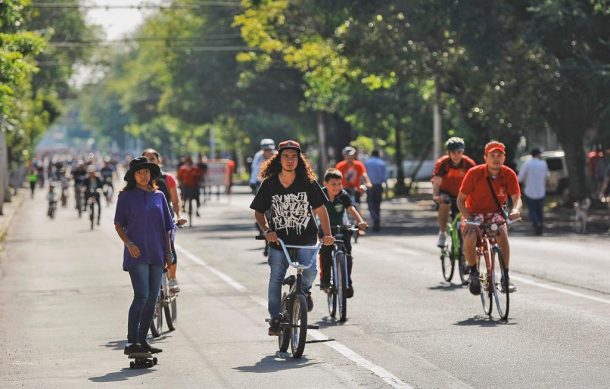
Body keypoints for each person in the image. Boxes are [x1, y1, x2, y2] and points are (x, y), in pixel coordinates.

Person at [250, 140, 334, 336]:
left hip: (306, 238)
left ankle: (302, 292)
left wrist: (328, 234)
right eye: (286, 156)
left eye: (294, 157)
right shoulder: (269, 183)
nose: (290, 160)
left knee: (310, 272)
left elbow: (320, 209)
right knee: (276, 277)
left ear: (299, 159)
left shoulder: (308, 182)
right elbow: (259, 213)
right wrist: (267, 230)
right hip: (279, 241)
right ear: (279, 159)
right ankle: (276, 317)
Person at [114, 156, 174, 356]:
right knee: (141, 296)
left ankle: (142, 340)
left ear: (151, 174)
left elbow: (167, 227)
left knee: (153, 298)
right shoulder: (126, 196)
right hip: (137, 254)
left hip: (157, 253)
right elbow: (118, 225)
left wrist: (168, 252)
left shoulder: (159, 196)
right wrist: (129, 243)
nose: (143, 175)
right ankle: (131, 342)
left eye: (146, 172)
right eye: (139, 172)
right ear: (133, 176)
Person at [457, 141, 522, 295]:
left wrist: (516, 209)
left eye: (499, 155)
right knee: (470, 235)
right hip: (474, 213)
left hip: (495, 213)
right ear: (485, 157)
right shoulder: (474, 173)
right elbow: (460, 200)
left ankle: (505, 277)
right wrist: (469, 219)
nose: (496, 159)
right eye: (492, 155)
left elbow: (516, 197)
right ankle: (473, 273)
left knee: (502, 232)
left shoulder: (509, 174)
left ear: (504, 158)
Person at [142, 148, 187, 293]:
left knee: (170, 247)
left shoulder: (167, 179)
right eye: (146, 159)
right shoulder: (140, 179)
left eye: (152, 159)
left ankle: (172, 278)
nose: (149, 162)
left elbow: (175, 201)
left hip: (165, 220)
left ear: (159, 161)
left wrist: (179, 216)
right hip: (146, 222)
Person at [318, 168, 367, 296]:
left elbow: (351, 209)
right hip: (325, 229)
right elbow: (312, 212)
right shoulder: (319, 195)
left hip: (341, 227)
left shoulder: (343, 195)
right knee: (325, 253)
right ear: (325, 184)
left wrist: (360, 222)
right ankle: (325, 280)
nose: (337, 187)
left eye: (339, 184)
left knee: (347, 254)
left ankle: (347, 281)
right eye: (333, 184)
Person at [431, 137, 476, 247]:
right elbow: (437, 181)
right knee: (444, 202)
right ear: (449, 153)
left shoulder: (468, 163)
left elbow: (476, 181)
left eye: (459, 152)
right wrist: (435, 195)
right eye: (453, 152)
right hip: (446, 193)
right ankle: (442, 233)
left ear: (463, 152)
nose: (456, 155)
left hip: (462, 194)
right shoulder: (443, 163)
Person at [518, 148, 549, 235]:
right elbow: (547, 177)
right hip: (541, 191)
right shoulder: (543, 164)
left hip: (529, 191)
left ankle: (537, 223)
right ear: (538, 154)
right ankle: (540, 226)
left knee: (532, 210)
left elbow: (520, 178)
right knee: (540, 210)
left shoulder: (527, 164)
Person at [364, 150, 387, 232]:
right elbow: (384, 177)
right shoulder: (382, 163)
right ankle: (376, 220)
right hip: (378, 186)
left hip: (369, 186)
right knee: (377, 204)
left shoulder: (367, 163)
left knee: (370, 203)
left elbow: (364, 175)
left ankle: (374, 218)